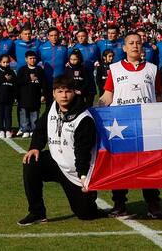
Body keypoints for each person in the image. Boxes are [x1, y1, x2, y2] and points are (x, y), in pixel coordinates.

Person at [19, 74, 104, 225]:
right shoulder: (53, 107)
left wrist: (83, 175)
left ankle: (90, 201)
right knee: (31, 161)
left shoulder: (84, 118)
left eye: (67, 91)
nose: (63, 95)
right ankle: (37, 212)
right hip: (56, 161)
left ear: (74, 92)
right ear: (53, 93)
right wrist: (35, 147)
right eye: (59, 91)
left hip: (75, 170)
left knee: (86, 214)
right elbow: (41, 128)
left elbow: (83, 151)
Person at [99, 32, 162, 218]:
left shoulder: (152, 69)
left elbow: (158, 96)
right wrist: (94, 109)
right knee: (120, 166)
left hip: (147, 126)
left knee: (149, 166)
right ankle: (119, 204)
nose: (135, 46)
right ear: (124, 47)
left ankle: (153, 204)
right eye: (131, 43)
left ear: (142, 46)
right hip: (122, 127)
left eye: (138, 43)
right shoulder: (115, 69)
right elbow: (108, 96)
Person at [16, 51, 44, 137]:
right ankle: (25, 130)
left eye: (34, 58)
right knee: (24, 115)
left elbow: (43, 83)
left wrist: (43, 95)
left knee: (34, 115)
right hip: (24, 97)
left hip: (35, 97)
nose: (32, 60)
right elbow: (18, 83)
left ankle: (33, 129)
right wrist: (28, 78)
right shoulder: (22, 70)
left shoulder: (39, 70)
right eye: (30, 58)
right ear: (26, 59)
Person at [0, 54, 16, 139]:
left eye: (7, 62)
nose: (6, 64)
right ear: (0, 62)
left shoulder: (11, 72)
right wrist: (4, 78)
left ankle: (8, 129)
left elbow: (15, 84)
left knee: (8, 114)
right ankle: (1, 130)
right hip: (0, 97)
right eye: (4, 62)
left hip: (9, 97)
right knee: (1, 115)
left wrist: (15, 96)